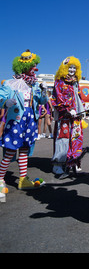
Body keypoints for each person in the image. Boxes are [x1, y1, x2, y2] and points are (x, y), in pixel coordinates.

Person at [0, 50, 48, 201]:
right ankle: (0, 180)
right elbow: (1, 97)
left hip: (30, 119)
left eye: (36, 66)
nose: (35, 68)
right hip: (16, 119)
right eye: (33, 66)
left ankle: (22, 179)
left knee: (24, 149)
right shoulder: (10, 83)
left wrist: (44, 91)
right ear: (23, 66)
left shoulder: (34, 84)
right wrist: (4, 103)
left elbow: (41, 101)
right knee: (10, 151)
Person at [51, 56, 86, 178]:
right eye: (69, 67)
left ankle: (73, 162)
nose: (72, 70)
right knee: (63, 139)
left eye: (74, 68)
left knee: (76, 138)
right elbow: (57, 98)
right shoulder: (59, 82)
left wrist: (81, 111)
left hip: (75, 116)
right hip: (64, 116)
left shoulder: (76, 82)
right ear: (64, 68)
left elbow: (79, 97)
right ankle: (58, 165)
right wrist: (66, 109)